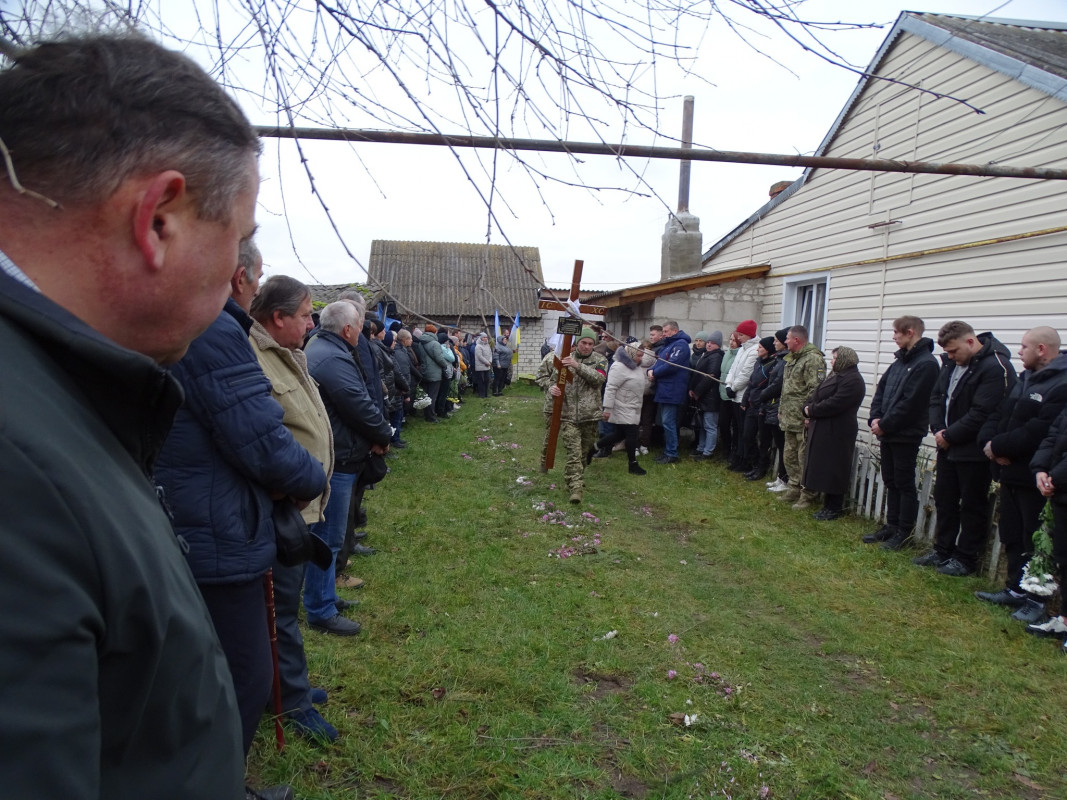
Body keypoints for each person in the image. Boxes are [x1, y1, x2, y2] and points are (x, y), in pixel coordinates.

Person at [0, 33, 263, 800]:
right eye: (239, 238)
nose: (237, 271)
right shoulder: (17, 466)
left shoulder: (57, 391)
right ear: (158, 219)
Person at [155, 241, 328, 762]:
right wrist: (309, 478)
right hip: (215, 527)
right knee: (244, 672)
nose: (310, 324)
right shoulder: (214, 329)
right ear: (238, 279)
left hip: (209, 517)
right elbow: (260, 437)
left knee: (236, 664)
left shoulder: (203, 324)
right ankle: (219, 778)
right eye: (254, 280)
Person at [248, 273, 339, 742]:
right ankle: (290, 701)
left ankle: (285, 686)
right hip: (282, 508)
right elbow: (263, 438)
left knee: (284, 609)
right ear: (278, 317)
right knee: (279, 612)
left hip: (301, 506)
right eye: (305, 315)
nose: (311, 323)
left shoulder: (286, 353)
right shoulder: (251, 353)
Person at [304, 302, 393, 634]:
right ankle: (320, 609)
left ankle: (324, 595)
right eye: (358, 325)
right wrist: (383, 435)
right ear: (347, 329)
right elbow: (357, 404)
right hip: (338, 460)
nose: (361, 331)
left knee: (330, 536)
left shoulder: (327, 348)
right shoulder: (332, 357)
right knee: (328, 538)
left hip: (340, 452)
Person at [976, 327, 1067, 621]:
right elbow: (999, 413)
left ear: (1041, 349)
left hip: (1035, 477)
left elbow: (1039, 430)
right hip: (1008, 471)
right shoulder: (1025, 378)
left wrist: (999, 446)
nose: (1019, 351)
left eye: (1024, 346)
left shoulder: (1061, 383)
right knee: (1012, 533)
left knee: (1035, 539)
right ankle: (1015, 589)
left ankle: (1036, 599)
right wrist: (989, 444)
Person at [914, 321, 1016, 577]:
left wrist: (950, 435)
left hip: (973, 450)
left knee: (972, 503)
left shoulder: (995, 367)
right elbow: (937, 397)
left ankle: (966, 557)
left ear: (970, 342)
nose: (950, 357)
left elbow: (983, 412)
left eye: (953, 351)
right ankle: (942, 549)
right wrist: (939, 430)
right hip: (946, 445)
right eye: (947, 352)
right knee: (945, 499)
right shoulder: (951, 363)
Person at [865, 316, 940, 549]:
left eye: (896, 332)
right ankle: (892, 525)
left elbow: (912, 403)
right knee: (890, 479)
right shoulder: (899, 362)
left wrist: (885, 424)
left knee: (904, 482)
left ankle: (903, 532)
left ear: (910, 332)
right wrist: (875, 418)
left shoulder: (926, 364)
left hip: (906, 434)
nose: (894, 337)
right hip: (888, 431)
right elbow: (882, 391)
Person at [536, 327, 608, 503]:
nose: (586, 346)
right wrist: (551, 388)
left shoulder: (600, 360)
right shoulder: (563, 359)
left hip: (590, 415)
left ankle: (576, 478)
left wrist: (578, 366)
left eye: (590, 343)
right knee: (573, 453)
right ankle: (575, 488)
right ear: (577, 343)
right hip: (567, 415)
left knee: (584, 453)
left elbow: (599, 379)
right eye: (583, 343)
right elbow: (549, 379)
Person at [802, 346, 866, 519]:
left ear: (845, 359)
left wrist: (811, 410)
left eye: (835, 358)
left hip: (839, 430)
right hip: (825, 426)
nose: (832, 361)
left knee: (835, 467)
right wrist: (807, 406)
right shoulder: (837, 375)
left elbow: (836, 403)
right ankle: (827, 504)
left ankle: (834, 507)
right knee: (825, 466)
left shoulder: (853, 380)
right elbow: (817, 395)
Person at [778, 326, 826, 506]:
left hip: (802, 418)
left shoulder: (813, 359)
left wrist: (809, 414)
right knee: (789, 455)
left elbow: (816, 389)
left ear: (797, 340)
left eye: (788, 338)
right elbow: (787, 388)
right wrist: (781, 409)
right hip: (789, 417)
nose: (785, 342)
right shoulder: (793, 358)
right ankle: (794, 488)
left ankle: (808, 494)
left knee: (803, 457)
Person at [596, 337, 654, 475]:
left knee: (619, 434)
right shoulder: (618, 366)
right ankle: (632, 464)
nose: (640, 358)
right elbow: (611, 388)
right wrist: (607, 409)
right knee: (632, 434)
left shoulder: (636, 367)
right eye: (638, 355)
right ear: (631, 354)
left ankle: (594, 447)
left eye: (642, 355)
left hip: (634, 405)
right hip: (622, 405)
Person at [649, 320, 692, 464]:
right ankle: (668, 450)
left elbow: (671, 365)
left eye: (666, 331)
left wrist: (655, 373)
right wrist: (651, 370)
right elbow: (660, 362)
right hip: (665, 388)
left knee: (669, 422)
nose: (663, 334)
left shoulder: (680, 345)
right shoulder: (669, 345)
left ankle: (672, 453)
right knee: (665, 422)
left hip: (672, 389)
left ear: (674, 331)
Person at [723, 320, 760, 472]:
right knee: (737, 428)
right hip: (734, 394)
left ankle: (746, 459)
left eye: (741, 335)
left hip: (743, 396)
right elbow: (733, 369)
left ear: (749, 335)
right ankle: (738, 457)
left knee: (745, 431)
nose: (738, 337)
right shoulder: (742, 349)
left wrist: (734, 387)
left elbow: (746, 373)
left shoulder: (754, 350)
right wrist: (728, 385)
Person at [761, 329, 790, 490]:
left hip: (778, 404)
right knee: (780, 444)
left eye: (776, 340)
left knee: (784, 445)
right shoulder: (779, 359)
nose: (774, 343)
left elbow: (778, 384)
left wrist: (763, 394)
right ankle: (781, 477)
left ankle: (785, 480)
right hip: (772, 405)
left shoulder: (785, 361)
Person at [689, 331, 724, 461]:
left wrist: (697, 392)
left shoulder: (716, 357)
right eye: (708, 342)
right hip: (703, 397)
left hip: (710, 398)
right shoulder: (707, 355)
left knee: (710, 426)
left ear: (718, 345)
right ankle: (701, 448)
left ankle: (708, 452)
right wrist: (692, 388)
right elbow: (697, 374)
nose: (709, 345)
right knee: (703, 425)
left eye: (712, 343)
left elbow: (710, 377)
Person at [474, 331, 493, 398]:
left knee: (487, 380)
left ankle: (486, 394)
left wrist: (490, 361)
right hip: (481, 367)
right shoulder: (478, 346)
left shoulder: (487, 345)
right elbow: (480, 356)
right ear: (481, 338)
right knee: (481, 381)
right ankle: (481, 394)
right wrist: (486, 362)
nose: (485, 338)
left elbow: (490, 354)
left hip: (487, 366)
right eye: (484, 337)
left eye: (486, 337)